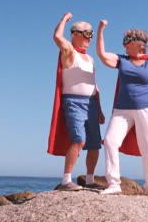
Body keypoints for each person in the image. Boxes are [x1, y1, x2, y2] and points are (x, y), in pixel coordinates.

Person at [96, 20, 148, 198]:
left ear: (137, 43)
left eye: (126, 41)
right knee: (110, 141)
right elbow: (102, 55)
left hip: (146, 109)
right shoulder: (122, 60)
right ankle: (114, 184)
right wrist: (100, 30)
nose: (123, 45)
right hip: (122, 110)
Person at [47, 12, 105, 191]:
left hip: (91, 103)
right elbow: (57, 37)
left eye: (91, 34)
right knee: (79, 140)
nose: (89, 37)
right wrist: (64, 19)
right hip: (73, 102)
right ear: (75, 35)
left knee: (94, 143)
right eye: (86, 33)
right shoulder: (69, 52)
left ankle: (89, 180)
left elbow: (95, 87)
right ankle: (66, 181)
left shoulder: (90, 59)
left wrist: (100, 109)